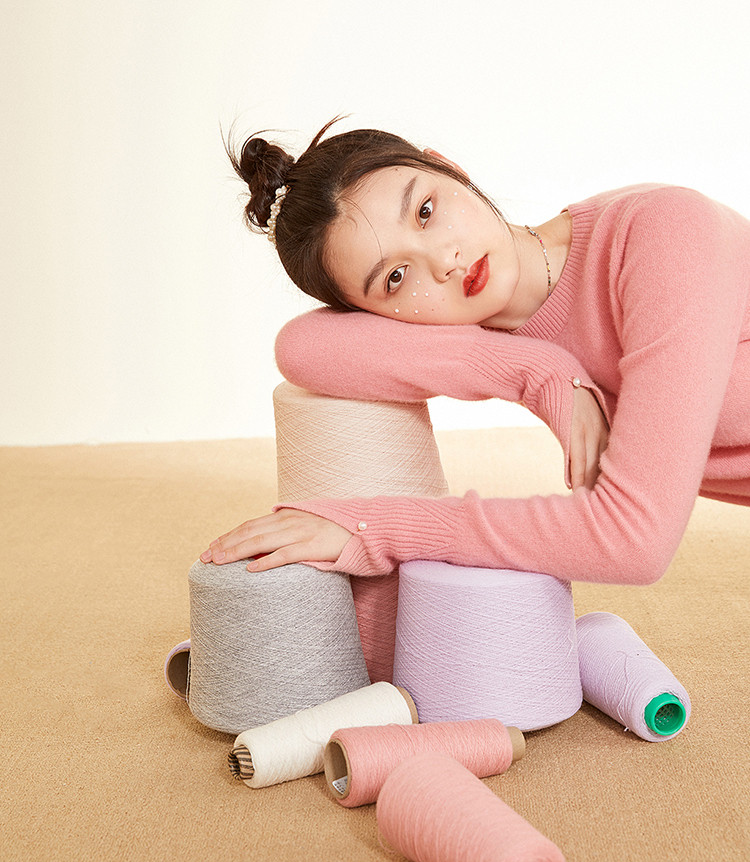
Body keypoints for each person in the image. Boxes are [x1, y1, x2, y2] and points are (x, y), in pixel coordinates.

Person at [200, 117, 750, 586]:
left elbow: (632, 541)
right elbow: (301, 347)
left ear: (449, 168)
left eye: (425, 211)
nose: (444, 261)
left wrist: (376, 529)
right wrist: (539, 371)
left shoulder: (665, 233)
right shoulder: (497, 331)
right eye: (396, 277)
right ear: (376, 316)